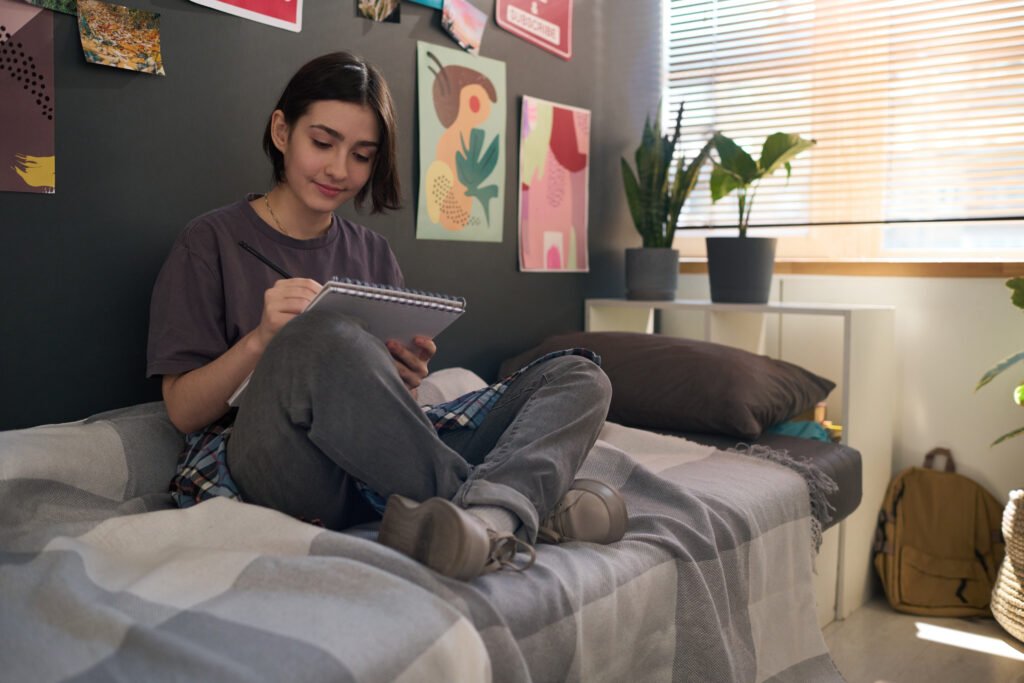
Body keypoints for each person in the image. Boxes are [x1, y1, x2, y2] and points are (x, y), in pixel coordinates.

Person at [146, 51, 626, 581]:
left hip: (377, 467)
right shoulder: (209, 241)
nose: (339, 169)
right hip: (283, 464)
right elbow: (183, 412)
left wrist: (404, 379)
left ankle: (485, 519)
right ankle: (508, 509)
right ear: (282, 131)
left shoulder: (372, 252)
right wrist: (260, 340)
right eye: (322, 143)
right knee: (320, 334)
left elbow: (398, 423)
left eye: (361, 155)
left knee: (581, 376)